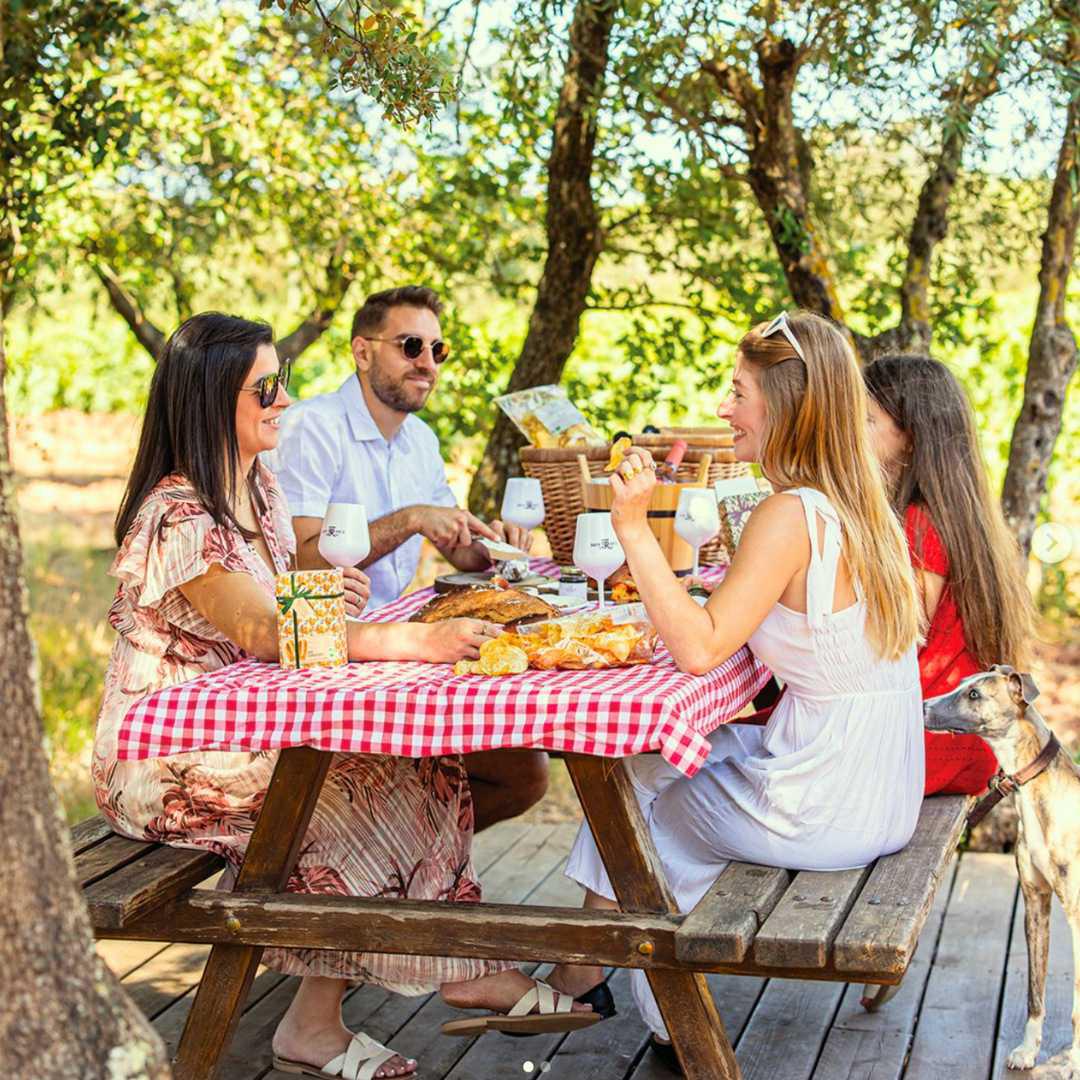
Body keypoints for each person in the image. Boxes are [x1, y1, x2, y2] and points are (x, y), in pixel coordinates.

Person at [93, 312, 588, 1080]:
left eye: (282, 382)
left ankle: (390, 986)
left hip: (247, 725)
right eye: (266, 387)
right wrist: (406, 640)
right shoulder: (177, 514)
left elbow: (276, 606)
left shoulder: (254, 492)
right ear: (211, 396)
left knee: (413, 766)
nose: (284, 400)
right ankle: (410, 984)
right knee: (348, 782)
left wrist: (324, 591)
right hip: (163, 754)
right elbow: (260, 630)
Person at [545, 311, 925, 1072]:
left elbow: (699, 649)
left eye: (737, 391)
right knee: (650, 767)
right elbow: (742, 624)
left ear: (785, 406)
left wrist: (632, 528)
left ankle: (665, 1022)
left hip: (829, 802)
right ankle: (579, 975)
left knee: (641, 817)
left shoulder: (790, 514)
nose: (723, 409)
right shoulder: (858, 503)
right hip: (884, 783)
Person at [271, 285, 549, 831]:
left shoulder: (419, 438)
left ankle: (402, 859)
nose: (427, 363)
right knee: (523, 767)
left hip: (396, 646)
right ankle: (383, 864)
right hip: (326, 657)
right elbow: (301, 562)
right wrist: (413, 518)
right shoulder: (312, 427)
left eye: (437, 350)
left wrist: (494, 543)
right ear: (362, 351)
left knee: (525, 773)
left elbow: (461, 551)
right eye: (410, 346)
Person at [864, 353, 1034, 795]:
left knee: (730, 759)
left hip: (926, 743)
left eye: (865, 421)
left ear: (911, 438)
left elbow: (894, 643)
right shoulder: (954, 515)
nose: (849, 435)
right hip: (947, 739)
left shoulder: (920, 524)